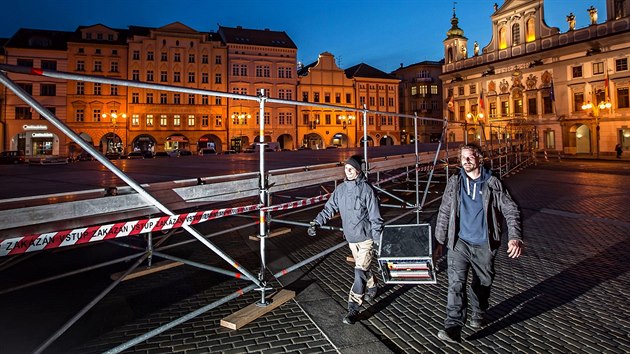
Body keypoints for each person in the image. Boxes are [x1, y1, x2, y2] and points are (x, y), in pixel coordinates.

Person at [434, 143, 523, 343]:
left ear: (479, 158)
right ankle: (453, 326)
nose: (466, 161)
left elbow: (511, 210)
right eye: (463, 157)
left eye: (470, 157)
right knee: (455, 284)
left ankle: (479, 310)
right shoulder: (455, 182)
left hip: (484, 244)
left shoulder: (492, 182)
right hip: (459, 243)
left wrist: (514, 237)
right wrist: (439, 242)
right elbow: (444, 212)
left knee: (482, 284)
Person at [308, 155, 383, 325]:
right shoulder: (340, 190)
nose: (347, 172)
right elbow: (329, 208)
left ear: (358, 170)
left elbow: (375, 217)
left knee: (359, 272)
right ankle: (372, 285)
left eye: (351, 169)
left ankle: (353, 308)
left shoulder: (367, 190)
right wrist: (316, 222)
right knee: (361, 268)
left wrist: (378, 240)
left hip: (366, 238)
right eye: (346, 169)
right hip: (351, 238)